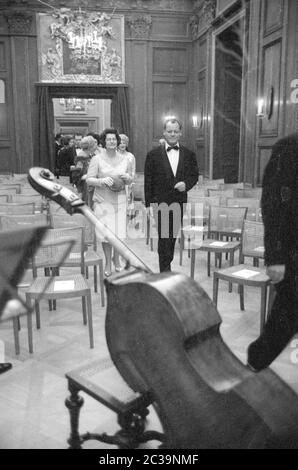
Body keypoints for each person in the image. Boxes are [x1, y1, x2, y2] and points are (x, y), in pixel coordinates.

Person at [247, 132, 298, 371]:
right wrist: (275, 257)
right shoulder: (289, 147)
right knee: (283, 321)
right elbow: (273, 206)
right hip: (293, 256)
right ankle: (255, 365)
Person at [144, 118, 199, 272]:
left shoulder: (189, 154)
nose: (172, 134)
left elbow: (194, 175)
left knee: (172, 237)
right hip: (159, 202)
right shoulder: (153, 155)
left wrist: (186, 185)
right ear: (164, 132)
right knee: (164, 237)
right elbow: (148, 181)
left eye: (175, 131)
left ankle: (166, 267)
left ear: (180, 133)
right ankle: (165, 270)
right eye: (169, 131)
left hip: (178, 201)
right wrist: (148, 204)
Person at [86, 128, 133, 276]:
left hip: (120, 201)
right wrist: (101, 181)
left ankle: (117, 260)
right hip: (102, 202)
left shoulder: (126, 159)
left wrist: (128, 178)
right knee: (106, 235)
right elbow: (89, 179)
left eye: (114, 139)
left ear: (117, 141)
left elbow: (131, 178)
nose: (112, 141)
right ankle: (107, 262)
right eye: (108, 139)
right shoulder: (96, 159)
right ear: (104, 142)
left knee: (118, 234)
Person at [71, 135, 97, 203]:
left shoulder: (90, 155)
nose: (95, 147)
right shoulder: (81, 157)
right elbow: (76, 175)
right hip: (85, 187)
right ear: (90, 146)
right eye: (94, 144)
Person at [118, 134, 136, 210]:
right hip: (117, 184)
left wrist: (131, 181)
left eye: (124, 143)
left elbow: (133, 170)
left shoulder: (130, 156)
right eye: (121, 143)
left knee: (128, 207)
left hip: (128, 184)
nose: (122, 145)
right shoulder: (113, 155)